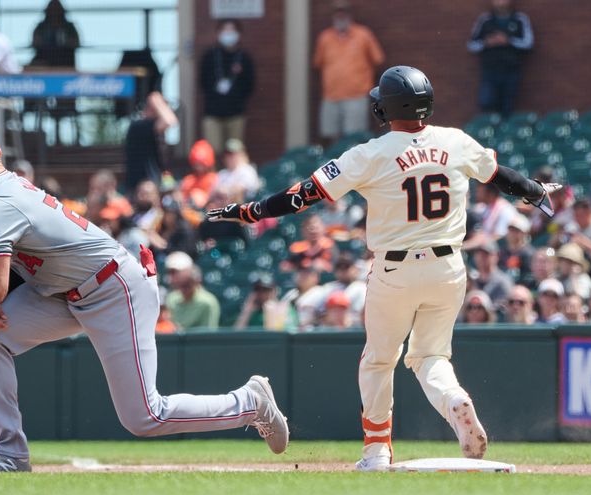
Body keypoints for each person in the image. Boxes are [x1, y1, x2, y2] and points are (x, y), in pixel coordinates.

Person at [207, 65, 560, 471]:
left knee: (378, 359)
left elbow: (300, 198)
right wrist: (535, 191)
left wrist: (250, 212)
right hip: (449, 268)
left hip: (395, 270)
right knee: (429, 357)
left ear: (386, 106)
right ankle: (453, 400)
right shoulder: (455, 140)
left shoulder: (370, 153)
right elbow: (504, 178)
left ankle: (376, 450)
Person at [0, 123, 288, 472]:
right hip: (66, 292)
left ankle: (250, 402)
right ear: (0, 155)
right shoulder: (11, 188)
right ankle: (10, 454)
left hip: (114, 291)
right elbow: (12, 270)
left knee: (144, 416)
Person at [312, 0, 384, 145]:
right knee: (331, 136)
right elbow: (317, 63)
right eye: (337, 13)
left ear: (349, 15)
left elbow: (378, 59)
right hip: (331, 96)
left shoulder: (363, 35)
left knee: (354, 138)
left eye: (343, 13)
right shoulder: (325, 38)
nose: (340, 16)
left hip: (356, 96)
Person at [467, 0, 533, 117]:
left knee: (508, 105)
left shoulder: (519, 19)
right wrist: (487, 42)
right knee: (487, 102)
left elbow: (528, 43)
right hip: (490, 70)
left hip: (511, 69)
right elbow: (472, 45)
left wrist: (508, 41)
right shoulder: (485, 20)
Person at [198, 19, 255, 152]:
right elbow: (202, 82)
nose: (228, 34)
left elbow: (250, 85)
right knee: (213, 150)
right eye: (225, 30)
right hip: (212, 113)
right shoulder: (210, 56)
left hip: (236, 113)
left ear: (239, 34)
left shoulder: (244, 58)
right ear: (218, 33)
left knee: (234, 150)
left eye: (232, 30)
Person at [124, 91, 178, 194]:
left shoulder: (152, 129)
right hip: (140, 189)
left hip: (153, 184)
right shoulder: (139, 126)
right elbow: (170, 121)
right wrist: (156, 99)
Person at [164, 252, 221, 331]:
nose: (171, 276)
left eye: (174, 272)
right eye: (170, 272)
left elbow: (208, 336)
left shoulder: (208, 302)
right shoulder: (171, 299)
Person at [30, 0, 79, 68]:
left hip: (66, 61)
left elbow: (76, 43)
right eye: (52, 11)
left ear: (62, 12)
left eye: (57, 11)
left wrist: (65, 42)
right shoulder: (41, 27)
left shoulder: (69, 27)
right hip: (44, 60)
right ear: (47, 12)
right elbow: (35, 43)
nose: (54, 14)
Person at [180, 140, 219, 209]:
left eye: (201, 164)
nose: (199, 167)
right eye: (196, 164)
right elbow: (182, 199)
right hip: (190, 213)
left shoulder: (214, 179)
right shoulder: (189, 180)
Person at [498, 214, 534, 284]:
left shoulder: (529, 254)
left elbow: (529, 277)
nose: (512, 233)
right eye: (510, 230)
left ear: (524, 233)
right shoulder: (502, 252)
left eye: (516, 230)